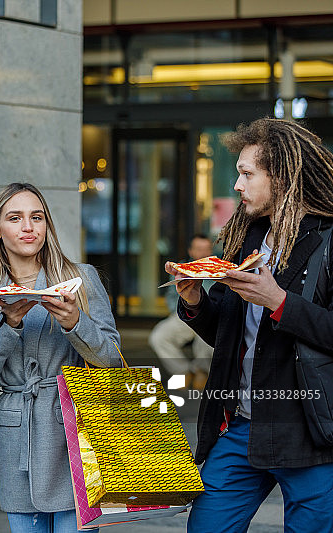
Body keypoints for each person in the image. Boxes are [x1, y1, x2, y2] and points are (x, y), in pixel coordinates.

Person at [166, 118, 333, 532]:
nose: (237, 185)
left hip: (313, 436)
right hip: (242, 427)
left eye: (246, 174)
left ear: (283, 176)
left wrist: (278, 302)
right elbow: (227, 334)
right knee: (205, 526)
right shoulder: (249, 238)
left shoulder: (328, 240)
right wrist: (193, 300)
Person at [0, 183, 122, 533]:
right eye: (15, 218)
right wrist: (8, 323)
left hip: (75, 434)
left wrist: (74, 322)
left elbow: (113, 361)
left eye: (37, 217)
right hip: (18, 437)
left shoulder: (80, 279)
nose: (28, 227)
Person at [149, 234, 214, 390]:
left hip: (211, 316)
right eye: (199, 250)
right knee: (159, 336)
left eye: (206, 250)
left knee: (208, 336)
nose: (203, 254)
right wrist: (182, 311)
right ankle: (183, 370)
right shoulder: (180, 269)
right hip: (183, 316)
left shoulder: (220, 270)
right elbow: (171, 297)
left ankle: (201, 370)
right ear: (191, 251)